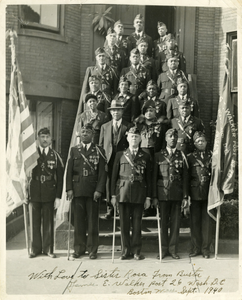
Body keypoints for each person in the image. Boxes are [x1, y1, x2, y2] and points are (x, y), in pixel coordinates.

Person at [66, 124, 107, 259]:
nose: (84, 134)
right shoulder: (74, 150)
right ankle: (78, 249)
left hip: (92, 192)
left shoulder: (99, 150)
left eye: (87, 132)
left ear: (92, 134)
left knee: (92, 222)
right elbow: (69, 172)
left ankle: (92, 249)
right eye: (83, 131)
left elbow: (102, 173)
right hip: (77, 191)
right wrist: (69, 189)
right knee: (78, 222)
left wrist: (99, 190)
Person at [111, 126, 152, 260]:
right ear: (127, 138)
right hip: (123, 192)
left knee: (137, 224)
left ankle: (136, 251)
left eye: (136, 136)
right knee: (124, 224)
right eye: (132, 136)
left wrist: (148, 197)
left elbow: (148, 177)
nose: (134, 138)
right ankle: (125, 250)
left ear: (140, 139)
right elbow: (114, 176)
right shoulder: (120, 154)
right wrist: (112, 195)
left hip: (139, 192)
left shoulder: (145, 155)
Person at [152, 128, 189, 259]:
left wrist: (185, 196)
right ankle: (163, 250)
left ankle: (173, 250)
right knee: (163, 224)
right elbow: (154, 177)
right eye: (170, 136)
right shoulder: (158, 155)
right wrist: (154, 196)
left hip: (177, 193)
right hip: (163, 193)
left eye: (174, 136)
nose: (173, 138)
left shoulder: (182, 155)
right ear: (166, 139)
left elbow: (185, 177)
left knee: (175, 223)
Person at [28, 128, 64, 258]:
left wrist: (58, 197)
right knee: (34, 222)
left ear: (50, 139)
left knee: (48, 222)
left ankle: (48, 249)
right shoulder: (31, 155)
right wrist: (25, 193)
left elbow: (60, 179)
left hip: (50, 192)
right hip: (34, 192)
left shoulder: (56, 155)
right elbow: (25, 175)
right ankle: (35, 249)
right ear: (38, 139)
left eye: (47, 137)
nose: (44, 139)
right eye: (42, 136)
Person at [99, 99, 131, 220]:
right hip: (109, 159)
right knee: (109, 183)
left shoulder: (129, 125)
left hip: (123, 159)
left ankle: (121, 207)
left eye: (118, 110)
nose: (116, 113)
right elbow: (101, 146)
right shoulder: (104, 127)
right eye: (113, 111)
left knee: (122, 181)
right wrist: (103, 162)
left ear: (122, 112)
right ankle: (110, 208)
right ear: (111, 112)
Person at [187, 131, 213, 259]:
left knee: (206, 223)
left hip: (208, 193)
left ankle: (206, 249)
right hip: (195, 193)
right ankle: (196, 248)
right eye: (198, 141)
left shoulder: (212, 156)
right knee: (195, 222)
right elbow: (187, 178)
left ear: (206, 142)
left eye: (202, 140)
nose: (201, 143)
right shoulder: (190, 157)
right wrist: (186, 196)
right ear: (194, 143)